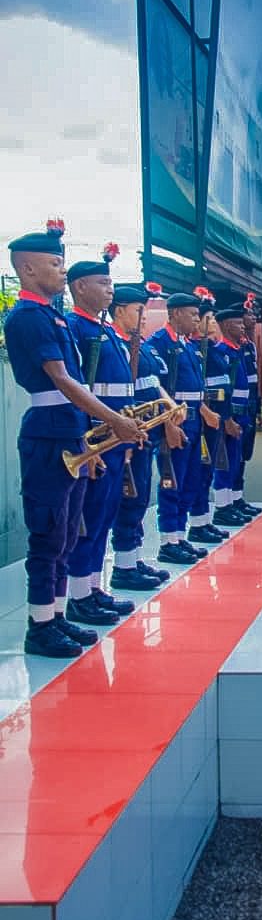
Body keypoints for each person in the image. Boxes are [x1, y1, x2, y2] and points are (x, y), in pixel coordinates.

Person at [4, 225, 144, 657]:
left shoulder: (53, 316)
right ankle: (40, 624)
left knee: (67, 533)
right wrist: (116, 423)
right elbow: (63, 380)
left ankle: (59, 615)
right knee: (47, 535)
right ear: (27, 269)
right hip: (48, 435)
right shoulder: (27, 317)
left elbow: (75, 381)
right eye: (54, 263)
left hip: (70, 435)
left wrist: (91, 445)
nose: (61, 271)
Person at [65, 248, 142, 623]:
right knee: (88, 517)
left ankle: (94, 587)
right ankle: (79, 594)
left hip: (115, 438)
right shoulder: (76, 329)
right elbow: (77, 391)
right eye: (103, 282)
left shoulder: (102, 330)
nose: (110, 290)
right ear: (80, 287)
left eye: (110, 282)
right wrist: (86, 443)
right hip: (94, 439)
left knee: (104, 514)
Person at [109, 283, 172, 588]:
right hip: (125, 435)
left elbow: (152, 384)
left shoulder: (142, 346)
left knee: (139, 499)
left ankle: (132, 560)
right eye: (138, 310)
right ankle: (122, 567)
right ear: (119, 311)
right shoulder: (115, 345)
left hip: (145, 433)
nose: (144, 317)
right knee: (126, 500)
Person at [146, 292, 215, 563]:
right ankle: (168, 541)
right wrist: (167, 424)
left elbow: (196, 390)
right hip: (174, 423)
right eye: (192, 315)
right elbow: (158, 389)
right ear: (174, 314)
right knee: (171, 481)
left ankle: (180, 536)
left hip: (194, 420)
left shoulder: (186, 345)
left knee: (190, 480)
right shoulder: (159, 344)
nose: (197, 320)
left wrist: (203, 410)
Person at [186, 289, 232, 544]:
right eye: (209, 319)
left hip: (217, 418)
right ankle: (196, 523)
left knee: (207, 472)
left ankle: (203, 520)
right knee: (198, 472)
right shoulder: (193, 348)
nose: (213, 323)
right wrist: (206, 411)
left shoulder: (212, 348)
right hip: (202, 419)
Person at [212, 308, 252, 527]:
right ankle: (223, 506)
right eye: (238, 323)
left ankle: (234, 501)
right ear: (227, 326)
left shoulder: (238, 350)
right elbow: (224, 391)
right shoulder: (222, 351)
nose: (243, 327)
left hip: (242, 414)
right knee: (225, 463)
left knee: (237, 461)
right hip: (230, 416)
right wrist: (228, 418)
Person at [228, 293, 262, 517]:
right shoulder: (233, 348)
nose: (253, 318)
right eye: (248, 314)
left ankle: (238, 497)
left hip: (250, 404)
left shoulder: (248, 345)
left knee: (244, 455)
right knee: (233, 455)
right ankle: (229, 500)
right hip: (237, 408)